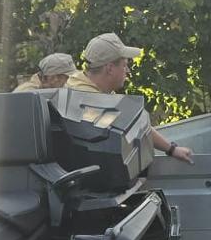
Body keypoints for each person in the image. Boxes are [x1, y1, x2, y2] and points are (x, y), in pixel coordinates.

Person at [66, 32, 195, 163]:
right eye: (124, 65)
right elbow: (134, 126)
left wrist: (171, 149)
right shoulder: (91, 100)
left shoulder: (83, 83)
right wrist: (171, 149)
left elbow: (136, 122)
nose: (127, 70)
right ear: (110, 68)